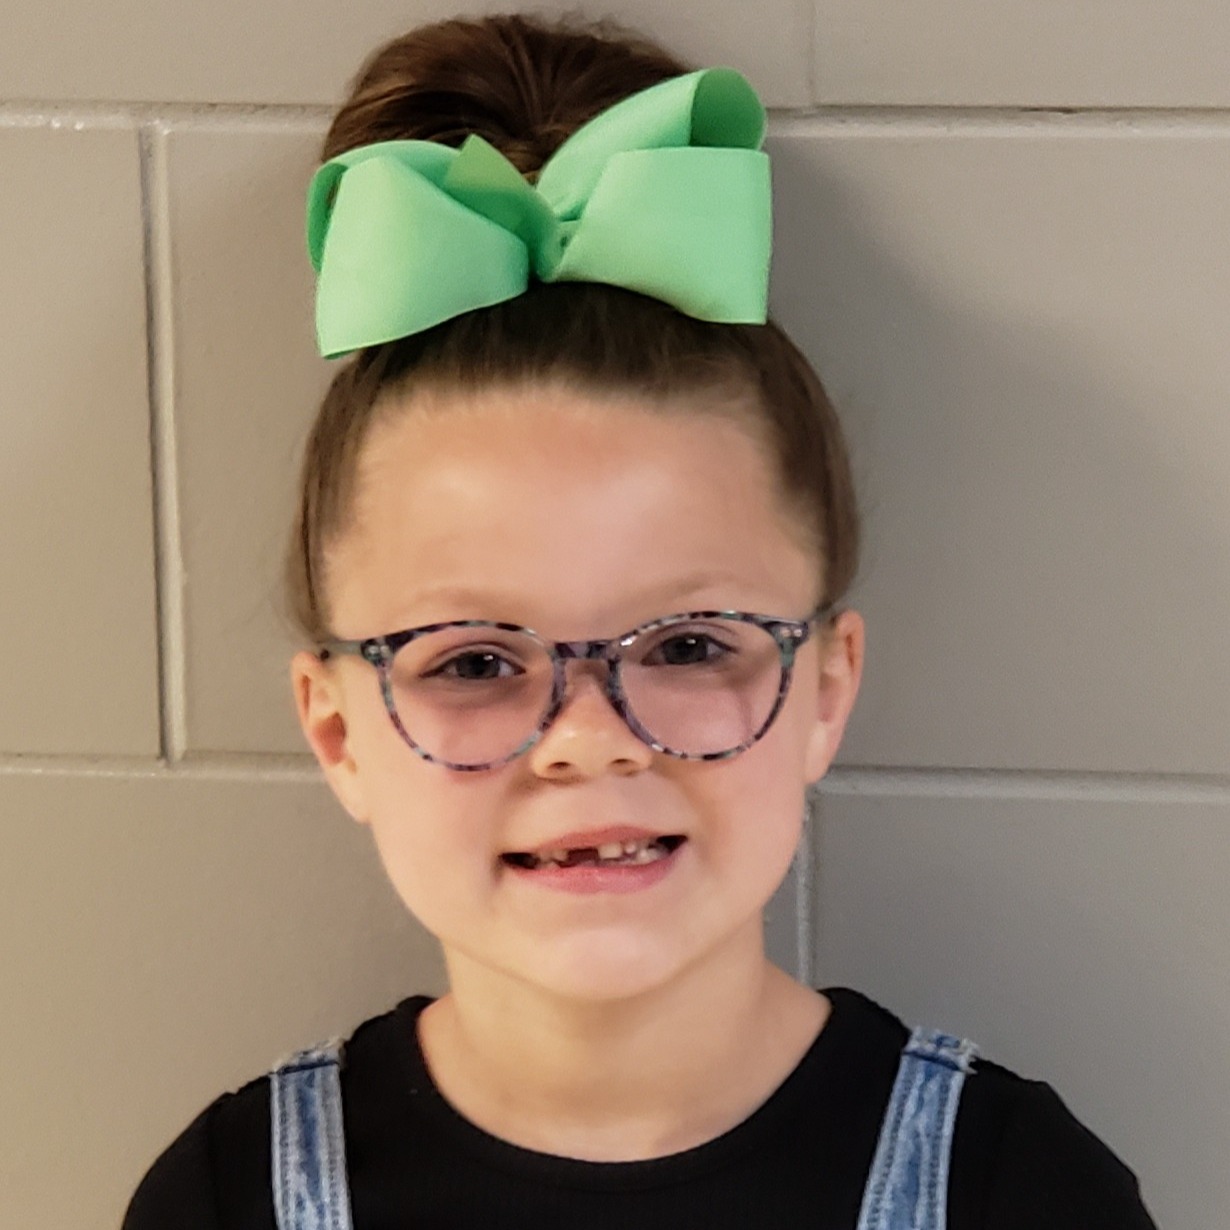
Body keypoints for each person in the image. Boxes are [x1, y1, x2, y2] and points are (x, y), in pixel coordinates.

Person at [122, 11, 1159, 1229]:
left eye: (685, 646)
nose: (588, 740)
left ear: (826, 689)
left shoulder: (1018, 1192)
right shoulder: (227, 1198)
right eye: (471, 661)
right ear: (338, 731)